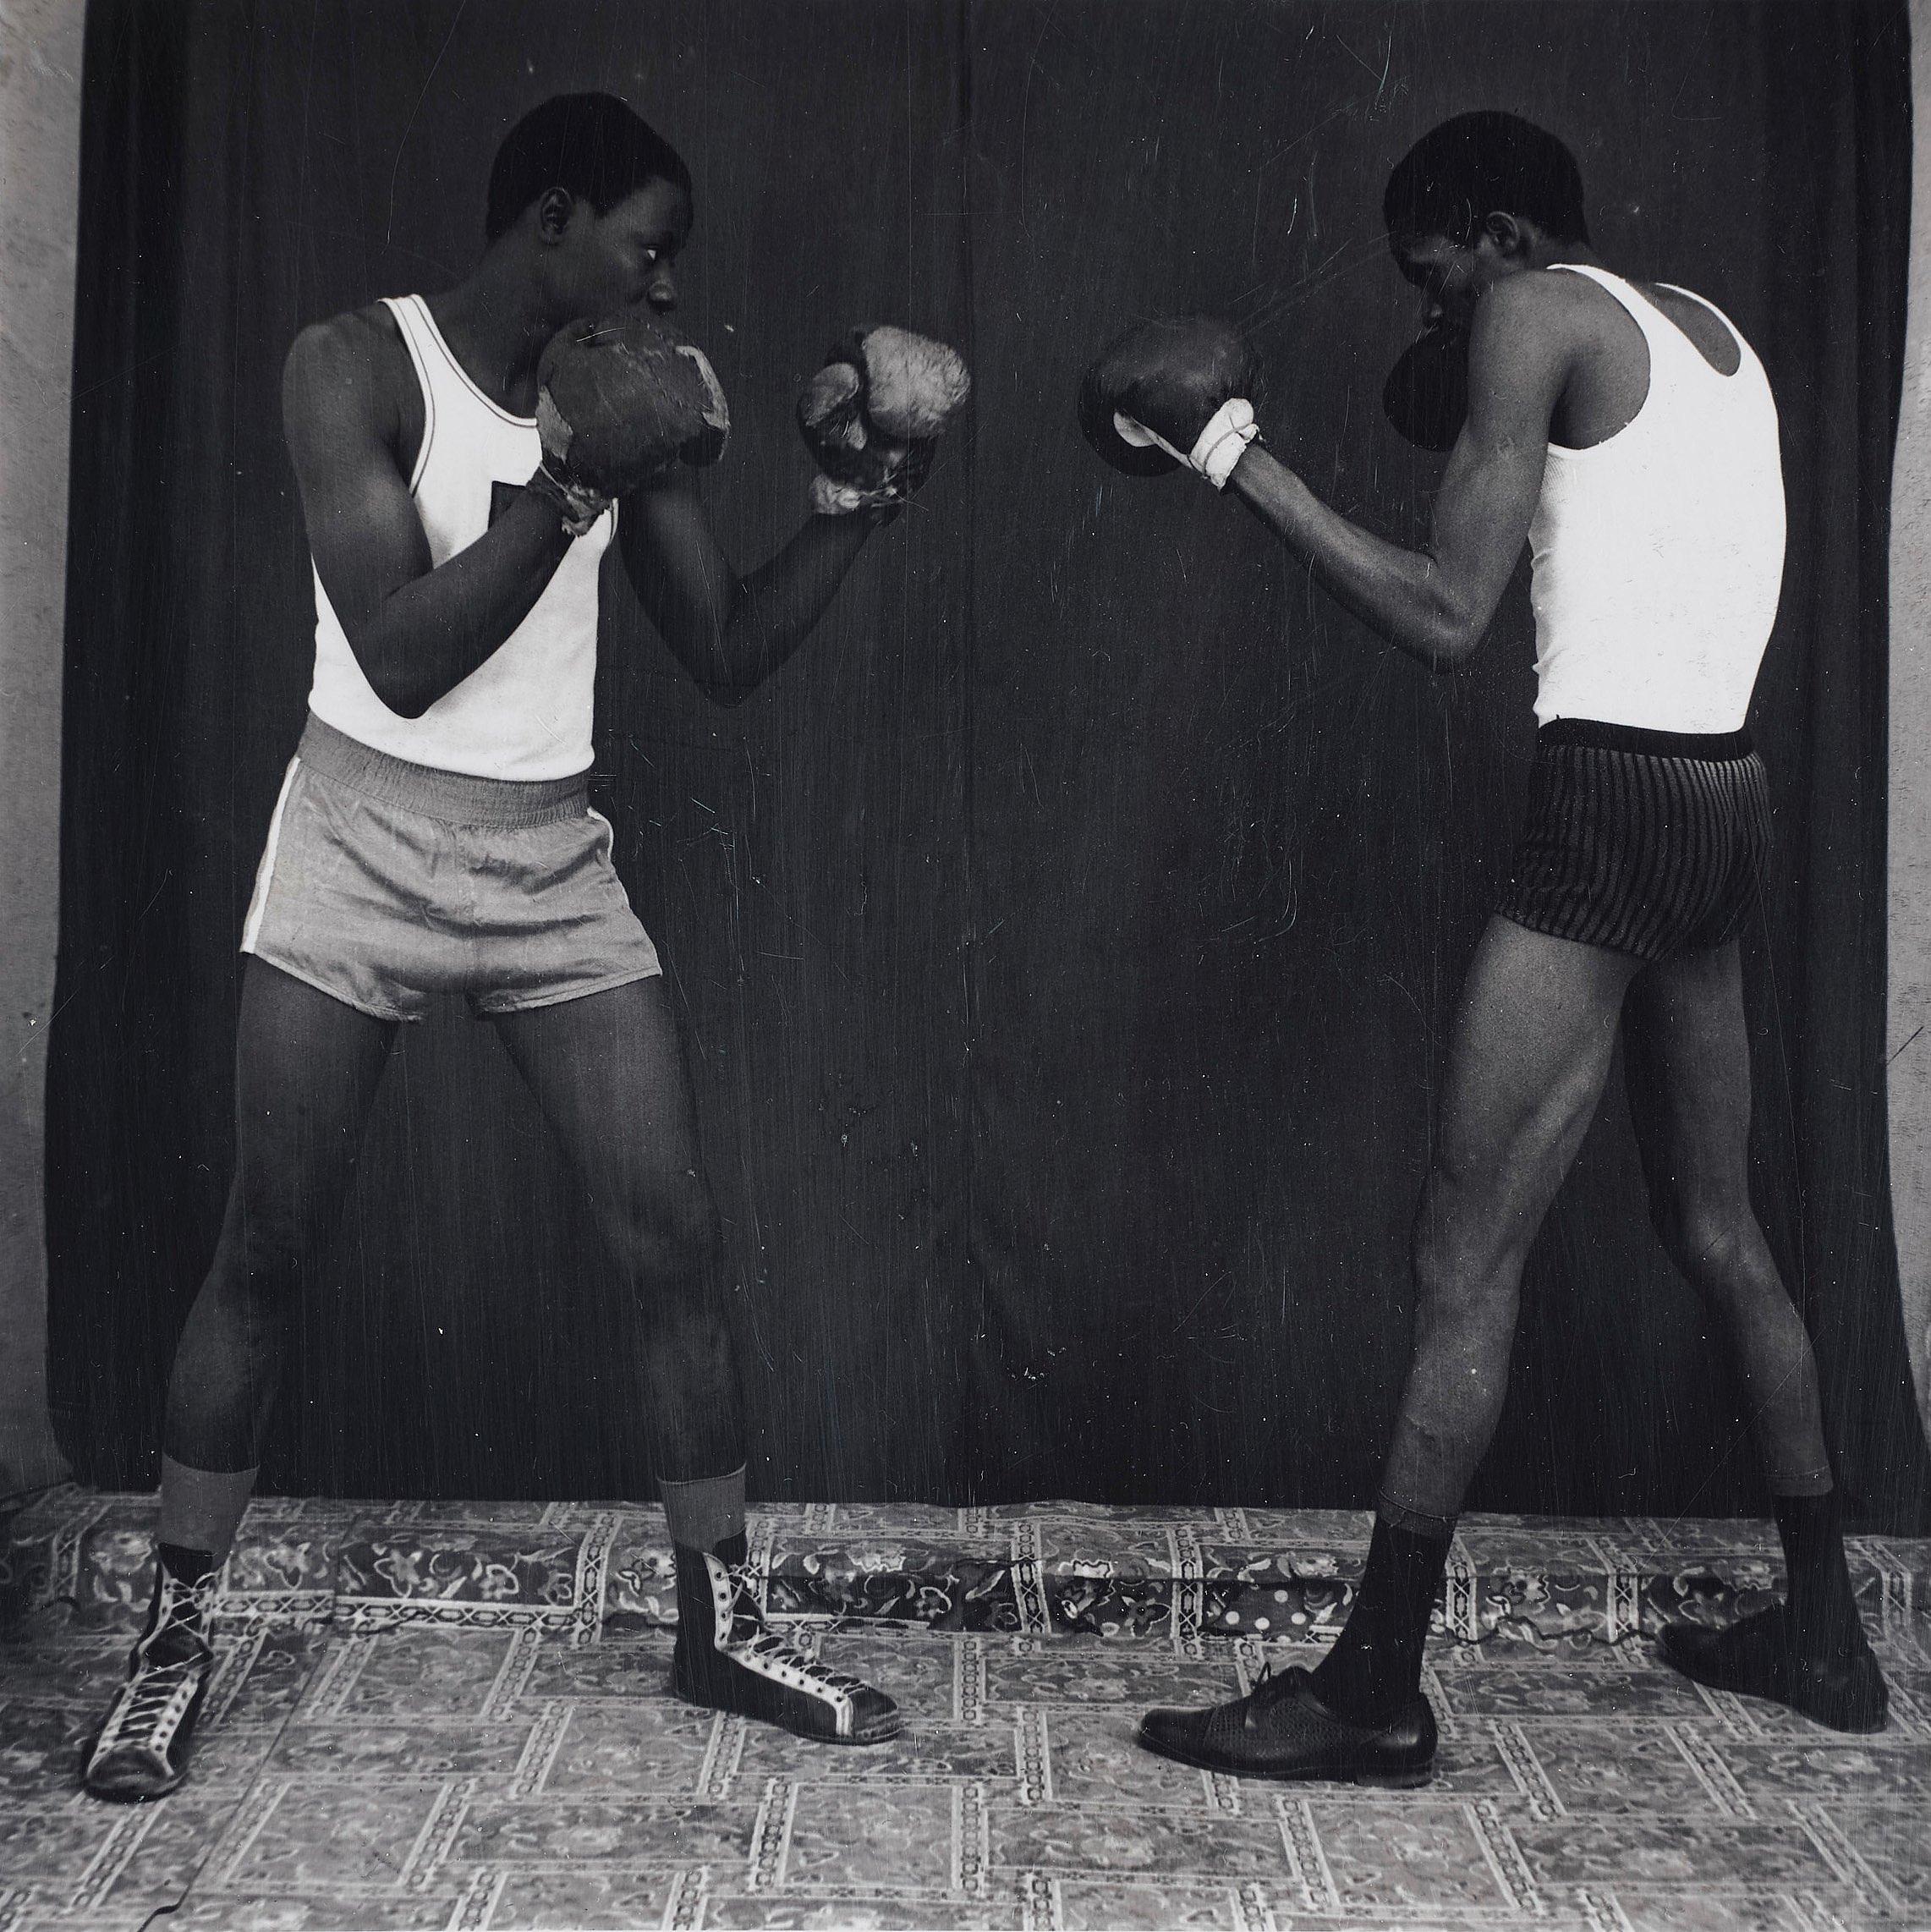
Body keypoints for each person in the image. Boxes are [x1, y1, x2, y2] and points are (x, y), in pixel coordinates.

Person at [84, 91, 966, 1802]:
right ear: (551, 221)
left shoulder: (629, 400)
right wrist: (567, 481)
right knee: (267, 1242)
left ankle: (719, 1616)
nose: (658, 295)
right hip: (357, 839)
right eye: (643, 252)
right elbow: (402, 654)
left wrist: (851, 513)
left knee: (673, 1234)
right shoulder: (351, 365)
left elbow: (716, 645)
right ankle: (171, 1633)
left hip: (548, 857)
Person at [1080, 110, 1888, 1787]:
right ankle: (1822, 1624)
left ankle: (1373, 1683)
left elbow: (1447, 620)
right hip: (1723, 794)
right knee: (1715, 1220)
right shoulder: (1705, 331)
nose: (1435, 316)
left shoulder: (1529, 313)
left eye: (1430, 276)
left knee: (1462, 1255)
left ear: (1496, 234)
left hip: (1603, 801)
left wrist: (1231, 456)